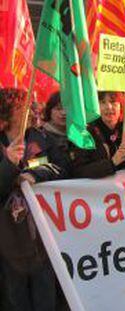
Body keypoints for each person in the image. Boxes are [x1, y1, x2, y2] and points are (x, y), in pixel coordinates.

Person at [0, 88, 68, 311]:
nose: (32, 110)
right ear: (6, 116)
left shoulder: (41, 137)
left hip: (41, 236)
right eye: (23, 107)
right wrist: (8, 163)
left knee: (45, 295)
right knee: (15, 297)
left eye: (32, 105)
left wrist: (34, 174)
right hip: (8, 241)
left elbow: (60, 167)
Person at [71, 91, 125, 179]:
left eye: (113, 102)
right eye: (103, 102)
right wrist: (112, 163)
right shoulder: (85, 134)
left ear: (121, 106)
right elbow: (79, 172)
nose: (108, 107)